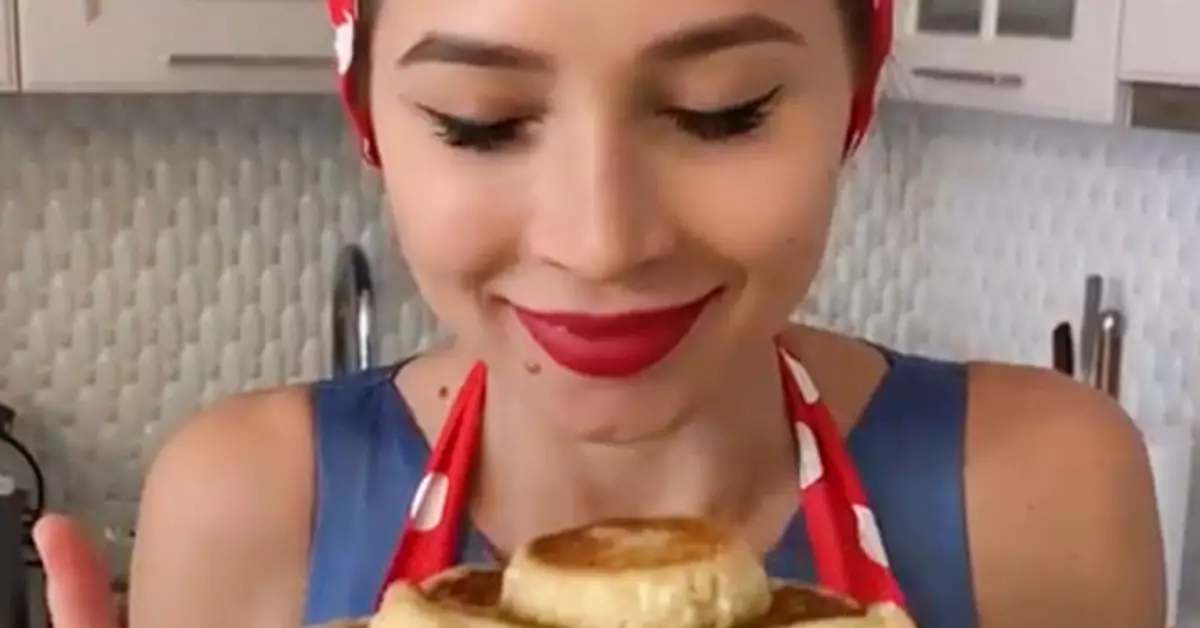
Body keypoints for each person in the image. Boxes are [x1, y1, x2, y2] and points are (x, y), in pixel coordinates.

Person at [34, 0, 1167, 626]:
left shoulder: (1035, 495)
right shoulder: (252, 508)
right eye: (481, 121)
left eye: (723, 111)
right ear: (371, 120)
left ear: (854, 96)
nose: (602, 239)